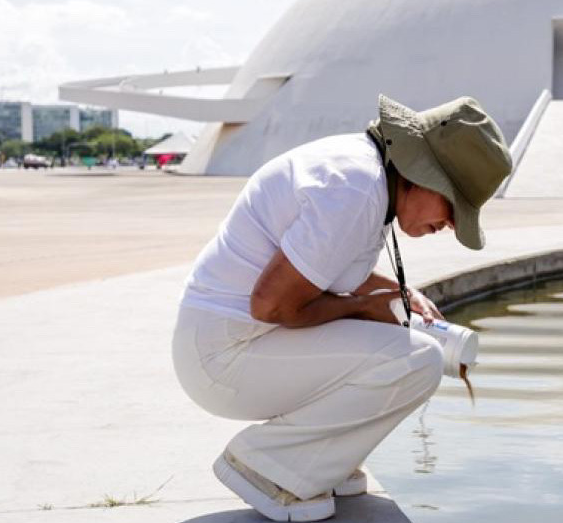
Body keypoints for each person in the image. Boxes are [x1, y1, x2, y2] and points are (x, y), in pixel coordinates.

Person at [172, 94, 512, 521]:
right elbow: (273, 305)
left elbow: (318, 266)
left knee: (396, 342)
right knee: (418, 359)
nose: (449, 225)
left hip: (224, 340)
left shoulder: (364, 174)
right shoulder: (353, 190)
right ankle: (270, 467)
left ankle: (321, 463)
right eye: (453, 207)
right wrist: (362, 308)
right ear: (425, 176)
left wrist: (394, 293)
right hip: (224, 356)